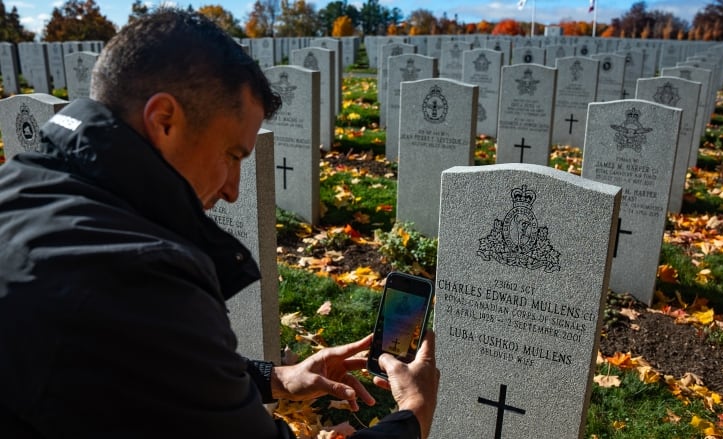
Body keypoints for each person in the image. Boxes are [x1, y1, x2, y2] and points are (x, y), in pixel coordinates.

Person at [0, 9, 439, 438]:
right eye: (232, 155)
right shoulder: (143, 275)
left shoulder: (17, 187)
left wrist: (275, 378)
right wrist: (413, 415)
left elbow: (145, 365)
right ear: (164, 121)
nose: (232, 189)